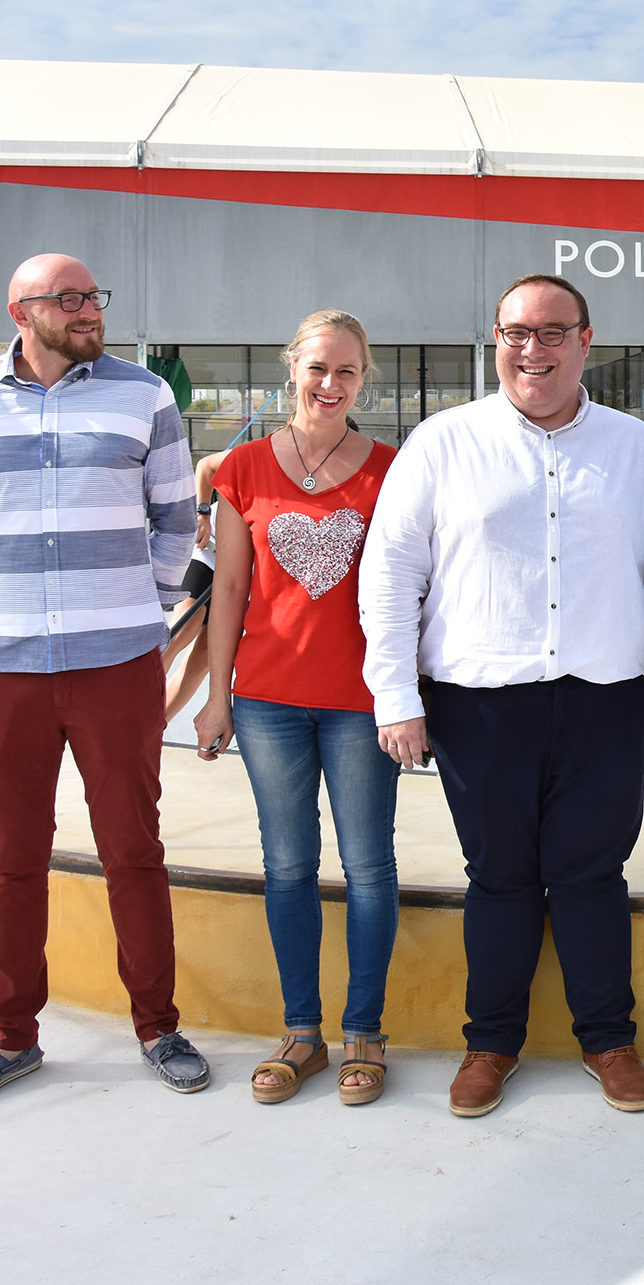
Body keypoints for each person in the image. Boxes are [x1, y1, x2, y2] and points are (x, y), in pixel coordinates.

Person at [361, 275, 644, 1120]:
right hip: (479, 702)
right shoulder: (442, 443)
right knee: (499, 878)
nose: (530, 349)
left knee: (591, 874)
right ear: (494, 340)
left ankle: (608, 1039)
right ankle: (491, 1042)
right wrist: (396, 694)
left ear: (587, 340)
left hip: (602, 699)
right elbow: (392, 571)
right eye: (514, 332)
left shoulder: (636, 450)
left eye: (551, 332)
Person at [0, 253, 209, 1106]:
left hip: (118, 667)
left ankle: (158, 1025)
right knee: (12, 861)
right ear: (22, 310)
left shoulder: (144, 396)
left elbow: (174, 518)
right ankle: (12, 1036)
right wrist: (19, 601)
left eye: (95, 296)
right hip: (3, 667)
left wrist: (136, 604)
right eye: (71, 299)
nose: (91, 310)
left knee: (135, 852)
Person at [194, 312, 402, 1106]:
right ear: (292, 368)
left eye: (347, 371)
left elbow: (403, 592)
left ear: (362, 379)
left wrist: (404, 697)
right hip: (270, 704)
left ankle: (365, 1030)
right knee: (287, 866)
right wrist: (218, 699)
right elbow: (231, 595)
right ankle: (302, 1031)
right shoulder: (242, 468)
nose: (330, 384)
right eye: (318, 367)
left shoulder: (389, 469)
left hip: (360, 705)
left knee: (368, 867)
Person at [162, 450, 228, 724]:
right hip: (209, 553)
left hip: (244, 573)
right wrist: (202, 512)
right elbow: (205, 467)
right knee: (182, 630)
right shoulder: (267, 453)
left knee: (204, 658)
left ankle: (153, 729)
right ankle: (127, 710)